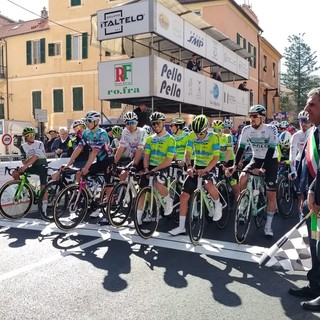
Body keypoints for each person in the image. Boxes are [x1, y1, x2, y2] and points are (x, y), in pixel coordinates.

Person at [288, 88, 320, 312]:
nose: (307, 108)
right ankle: (315, 285)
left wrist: (312, 191)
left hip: (317, 200)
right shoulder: (313, 132)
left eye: (312, 105)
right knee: (314, 245)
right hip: (311, 203)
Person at [227, 105, 278, 237]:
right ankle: (244, 205)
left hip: (270, 160)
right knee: (243, 176)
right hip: (256, 158)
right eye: (250, 116)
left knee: (271, 195)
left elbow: (271, 149)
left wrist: (263, 169)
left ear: (262, 117)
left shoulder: (271, 129)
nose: (252, 119)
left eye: (255, 116)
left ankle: (268, 226)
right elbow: (241, 149)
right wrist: (234, 165)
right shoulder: (246, 129)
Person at [169, 114, 222, 236]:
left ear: (206, 129)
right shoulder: (192, 135)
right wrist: (189, 167)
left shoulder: (214, 137)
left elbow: (216, 157)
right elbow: (188, 154)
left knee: (208, 184)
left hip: (210, 165)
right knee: (183, 196)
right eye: (197, 133)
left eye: (201, 134)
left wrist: (207, 169)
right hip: (197, 166)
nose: (198, 136)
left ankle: (217, 204)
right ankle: (181, 227)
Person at [136, 111, 176, 224]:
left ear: (163, 123)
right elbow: (146, 156)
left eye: (158, 123)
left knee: (157, 183)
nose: (156, 126)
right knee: (142, 192)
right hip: (151, 167)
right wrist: (146, 169)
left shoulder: (170, 139)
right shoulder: (149, 139)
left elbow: (169, 160)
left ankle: (169, 201)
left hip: (164, 166)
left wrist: (154, 170)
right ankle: (138, 218)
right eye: (153, 124)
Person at [63, 110, 114, 185]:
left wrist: (86, 168)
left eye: (89, 121)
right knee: (79, 174)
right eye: (86, 120)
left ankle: (109, 196)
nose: (87, 123)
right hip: (99, 160)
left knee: (107, 184)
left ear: (96, 122)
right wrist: (68, 164)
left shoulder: (102, 133)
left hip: (108, 160)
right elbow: (79, 148)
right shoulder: (86, 133)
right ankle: (83, 194)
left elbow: (94, 152)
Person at [288, 110, 312, 218]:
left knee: (311, 192)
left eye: (305, 121)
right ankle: (301, 216)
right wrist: (293, 169)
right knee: (300, 193)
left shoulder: (314, 132)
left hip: (311, 162)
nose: (303, 124)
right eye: (301, 121)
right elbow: (292, 154)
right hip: (299, 162)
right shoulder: (296, 136)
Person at [114, 111, 147, 179]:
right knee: (123, 175)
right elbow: (121, 148)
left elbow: (140, 150)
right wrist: (114, 163)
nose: (131, 125)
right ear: (125, 124)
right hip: (135, 157)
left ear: (137, 122)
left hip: (146, 157)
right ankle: (125, 189)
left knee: (141, 177)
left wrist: (134, 165)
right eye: (128, 123)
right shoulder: (125, 132)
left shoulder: (142, 132)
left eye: (133, 122)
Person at [212, 120, 239, 200]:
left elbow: (229, 150)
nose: (216, 132)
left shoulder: (228, 137)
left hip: (229, 160)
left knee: (233, 183)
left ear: (222, 129)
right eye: (215, 130)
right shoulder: (212, 138)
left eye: (219, 130)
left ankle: (238, 203)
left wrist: (224, 163)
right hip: (217, 161)